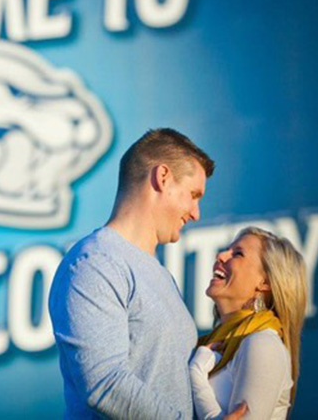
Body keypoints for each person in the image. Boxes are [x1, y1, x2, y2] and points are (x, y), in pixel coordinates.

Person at [49, 128, 215, 419]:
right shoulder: (94, 263)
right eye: (193, 195)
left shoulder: (161, 276)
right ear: (162, 177)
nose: (196, 212)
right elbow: (105, 383)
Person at [190, 227, 308, 420]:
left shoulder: (263, 344)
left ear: (265, 282)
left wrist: (196, 376)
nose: (221, 256)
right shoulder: (209, 346)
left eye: (238, 253)